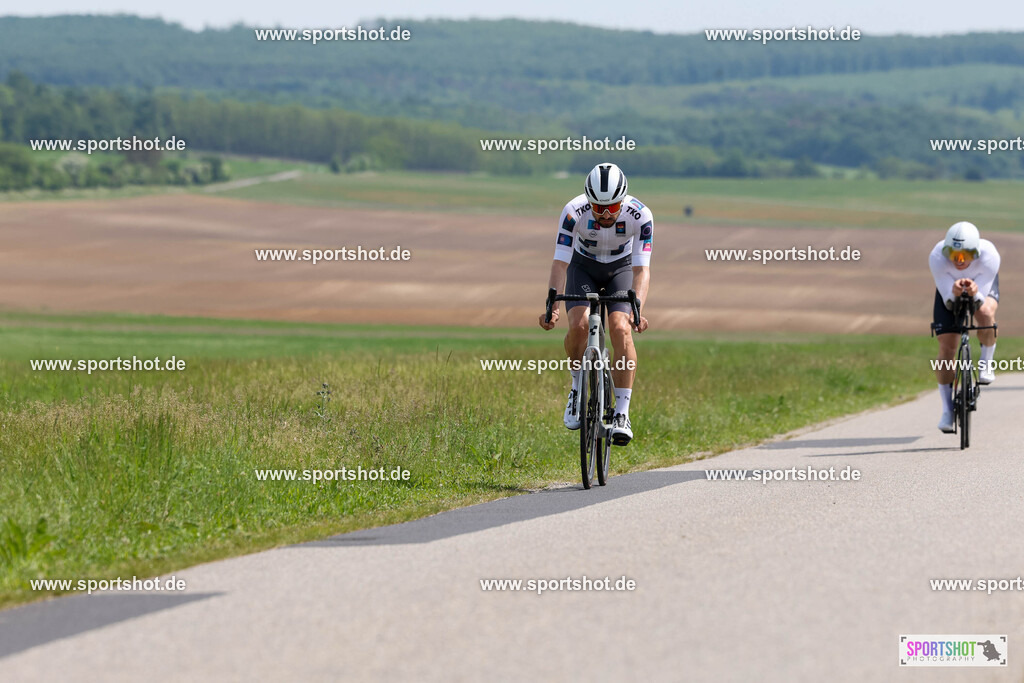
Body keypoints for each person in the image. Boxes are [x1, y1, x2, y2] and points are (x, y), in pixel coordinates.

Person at [538, 163, 652, 445]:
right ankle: (577, 387)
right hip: (583, 267)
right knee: (579, 324)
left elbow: (641, 270)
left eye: (611, 208)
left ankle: (622, 414)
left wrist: (638, 309)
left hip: (621, 269)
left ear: (622, 200)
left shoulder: (641, 215)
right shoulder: (572, 211)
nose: (603, 214)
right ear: (588, 200)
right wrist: (552, 306)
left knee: (620, 328)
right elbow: (560, 262)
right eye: (597, 207)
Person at [928, 221, 1000, 433]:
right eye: (953, 255)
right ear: (945, 251)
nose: (959, 261)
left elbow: (978, 303)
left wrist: (975, 292)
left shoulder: (989, 256)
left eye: (966, 255)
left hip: (981, 286)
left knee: (986, 312)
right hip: (948, 290)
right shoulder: (937, 257)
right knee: (947, 347)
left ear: (976, 253)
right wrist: (955, 292)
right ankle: (947, 410)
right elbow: (950, 302)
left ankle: (986, 364)